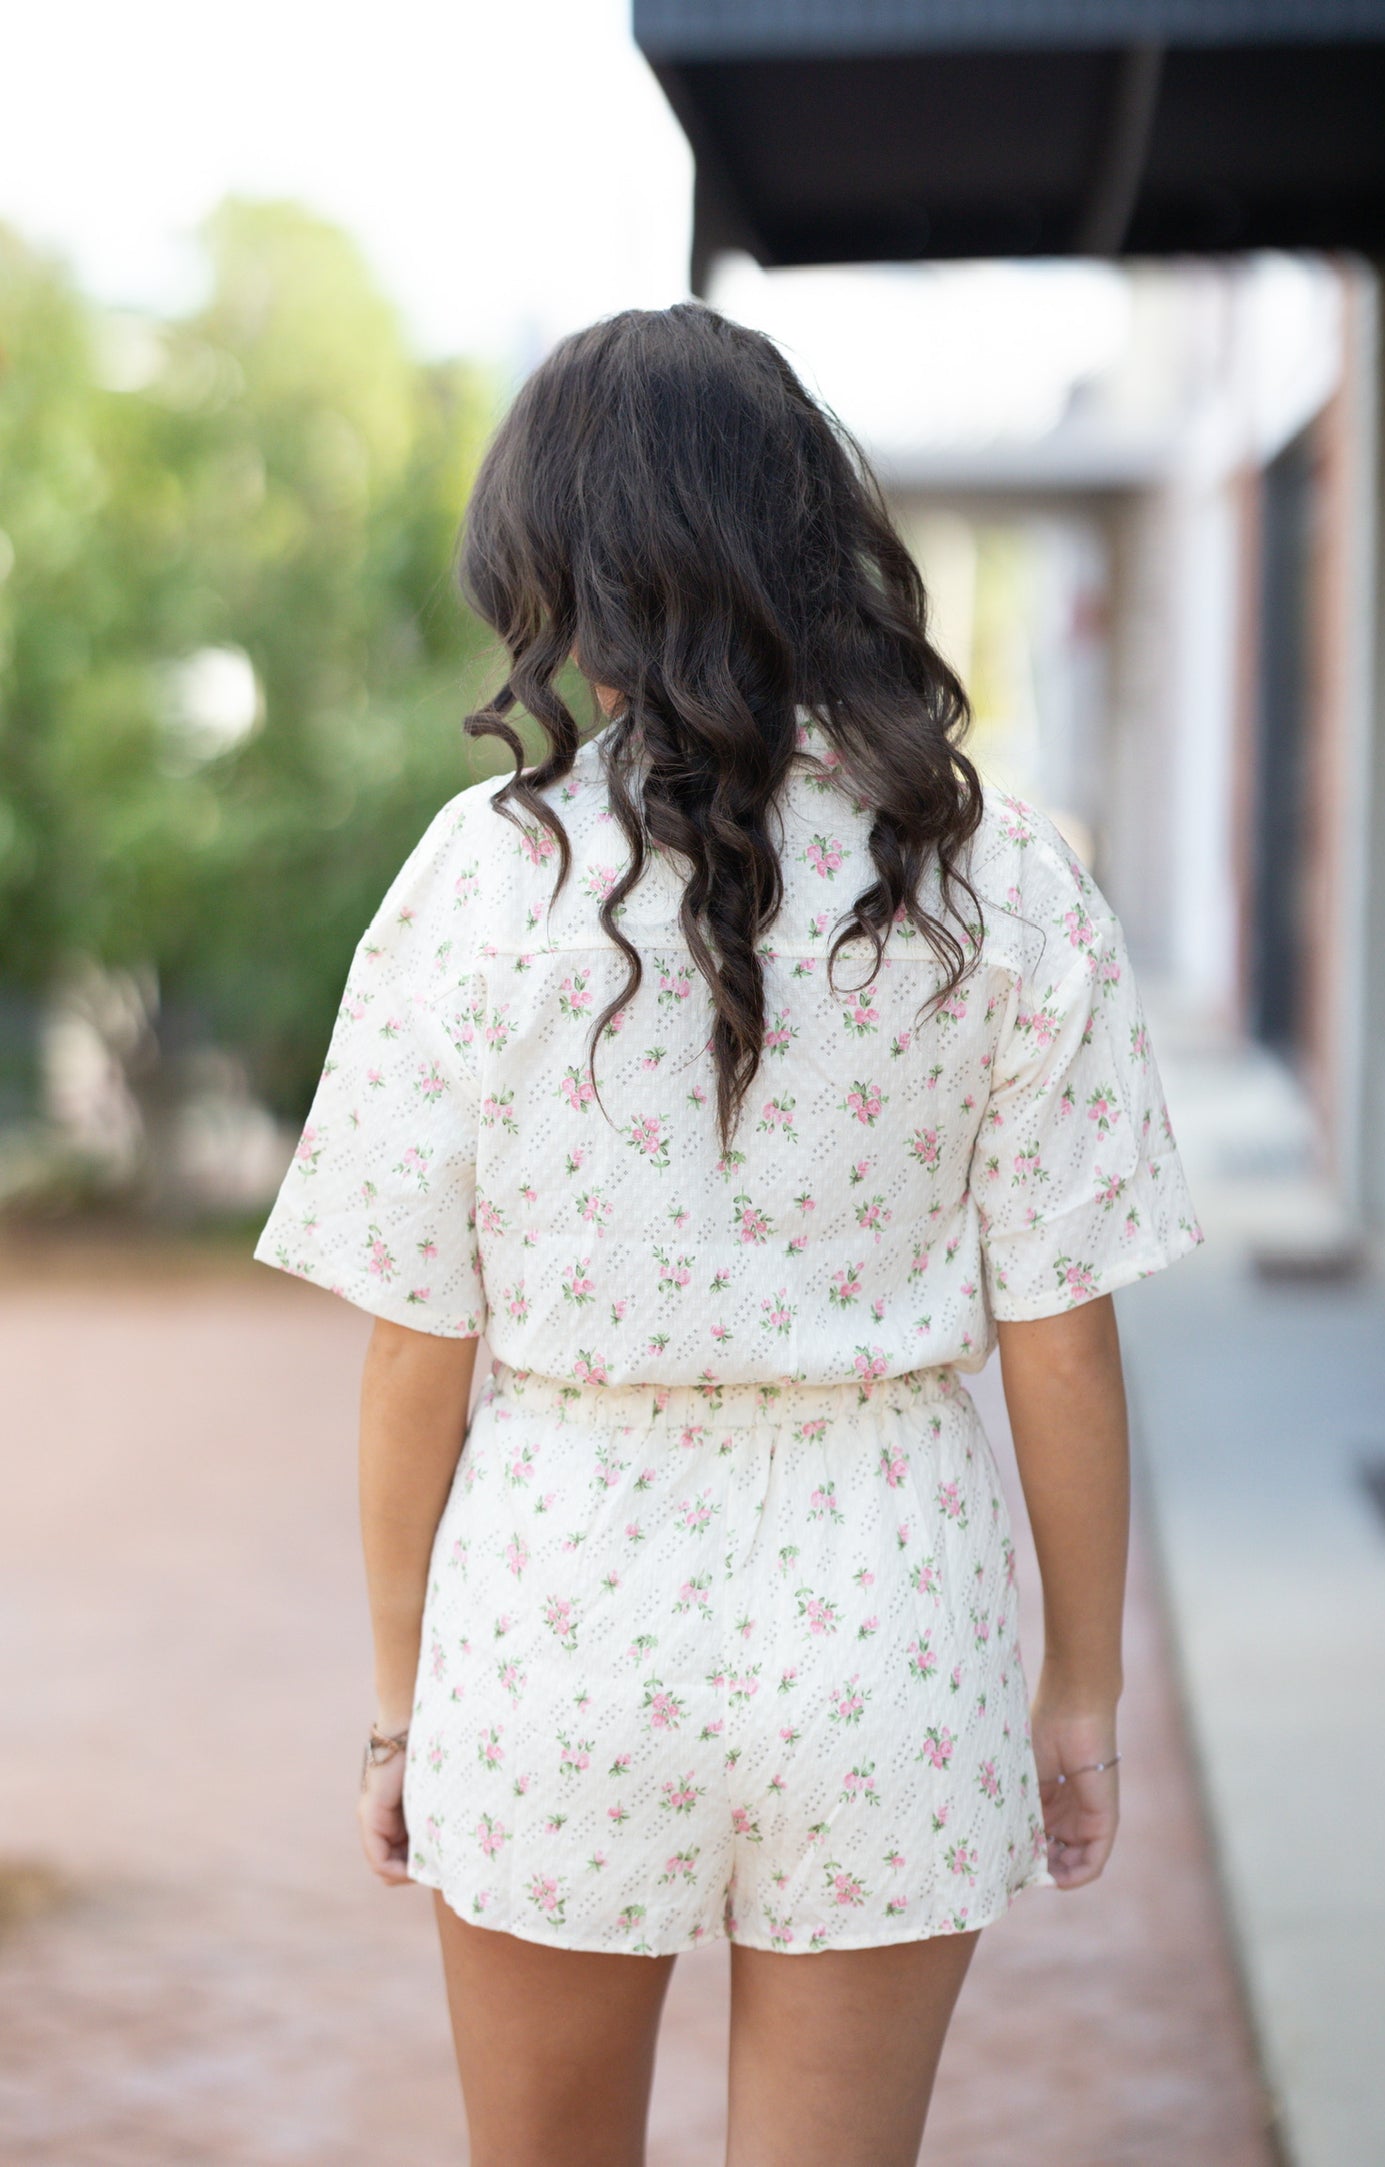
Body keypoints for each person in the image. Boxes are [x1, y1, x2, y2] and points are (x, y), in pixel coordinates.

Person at [255, 302, 1201, 2167]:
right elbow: (1065, 1342)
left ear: (557, 571)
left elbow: (414, 1354)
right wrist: (1076, 1693)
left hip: (556, 1622)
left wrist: (395, 1706)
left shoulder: (479, 884)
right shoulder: (997, 876)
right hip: (892, 1627)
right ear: (810, 536)